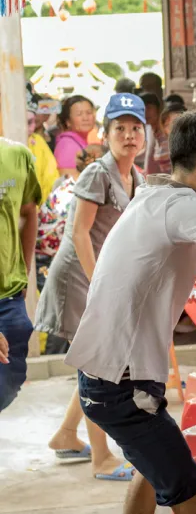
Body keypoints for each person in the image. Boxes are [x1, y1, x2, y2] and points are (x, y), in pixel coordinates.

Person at [67, 108, 196, 514]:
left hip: (106, 376)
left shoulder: (155, 194)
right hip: (123, 384)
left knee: (148, 474)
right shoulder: (182, 206)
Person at [37, 93, 147, 480]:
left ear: (145, 135)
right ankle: (101, 458)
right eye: (120, 128)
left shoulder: (136, 176)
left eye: (136, 128)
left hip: (100, 278)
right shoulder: (97, 173)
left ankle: (67, 435)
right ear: (106, 132)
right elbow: (79, 233)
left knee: (94, 364)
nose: (129, 135)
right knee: (98, 367)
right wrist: (100, 285)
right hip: (79, 277)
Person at [35, 145, 104, 356]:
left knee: (68, 323)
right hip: (53, 261)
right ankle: (55, 360)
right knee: (63, 323)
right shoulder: (81, 193)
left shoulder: (69, 185)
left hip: (54, 259)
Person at [0, 137, 42, 413]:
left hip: (9, 298)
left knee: (9, 384)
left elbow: (28, 211)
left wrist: (24, 270)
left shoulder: (17, 156)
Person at [54, 95, 98, 178]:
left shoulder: (79, 141)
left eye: (89, 113)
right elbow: (68, 181)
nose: (85, 118)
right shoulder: (67, 145)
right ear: (68, 122)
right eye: (79, 114)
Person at [140, 92, 171, 175]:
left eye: (149, 108)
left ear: (158, 109)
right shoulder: (150, 129)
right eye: (142, 109)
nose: (145, 113)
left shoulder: (167, 131)